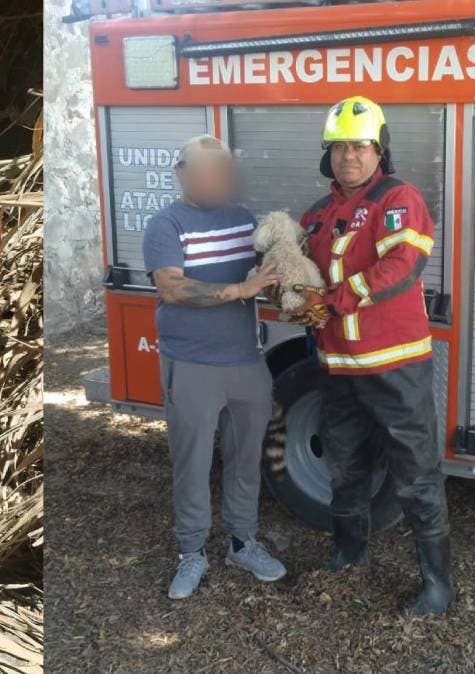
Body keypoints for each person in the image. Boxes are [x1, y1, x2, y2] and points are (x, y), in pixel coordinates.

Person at [291, 95, 454, 615]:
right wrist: (290, 294)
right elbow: (301, 276)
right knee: (345, 468)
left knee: (415, 475)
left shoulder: (399, 198)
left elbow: (400, 267)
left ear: (379, 149)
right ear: (327, 154)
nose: (349, 156)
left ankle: (437, 585)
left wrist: (330, 301)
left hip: (395, 366)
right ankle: (349, 553)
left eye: (360, 145)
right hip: (338, 366)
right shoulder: (316, 214)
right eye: (338, 147)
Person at [142, 135, 286, 600]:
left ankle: (242, 542)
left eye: (224, 170)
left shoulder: (243, 220)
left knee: (246, 458)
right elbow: (173, 290)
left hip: (246, 361)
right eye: (209, 171)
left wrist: (280, 285)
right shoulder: (165, 225)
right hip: (193, 364)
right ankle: (192, 552)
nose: (219, 180)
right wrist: (238, 292)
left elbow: (260, 281)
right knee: (193, 462)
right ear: (182, 173)